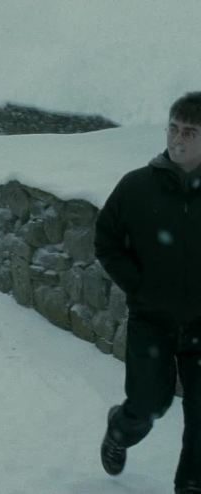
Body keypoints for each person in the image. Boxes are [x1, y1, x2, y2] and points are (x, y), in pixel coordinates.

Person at [95, 92, 201, 494]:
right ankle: (120, 431)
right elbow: (106, 241)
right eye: (174, 128)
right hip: (152, 320)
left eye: (190, 132)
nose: (178, 139)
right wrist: (139, 286)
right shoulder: (137, 186)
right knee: (149, 403)